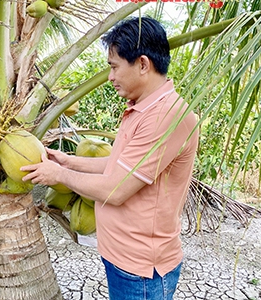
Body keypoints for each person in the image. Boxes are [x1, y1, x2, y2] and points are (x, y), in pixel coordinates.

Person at [21, 16, 199, 300]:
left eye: (114, 67)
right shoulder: (142, 107)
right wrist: (67, 162)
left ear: (142, 64)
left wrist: (59, 176)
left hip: (141, 269)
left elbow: (116, 189)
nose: (111, 77)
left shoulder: (166, 117)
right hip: (123, 259)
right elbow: (119, 167)